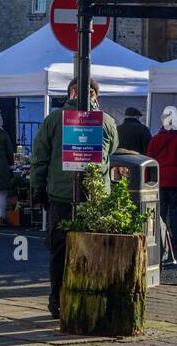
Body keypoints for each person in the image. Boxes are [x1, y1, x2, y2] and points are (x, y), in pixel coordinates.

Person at [31, 78, 119, 317]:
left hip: (61, 195)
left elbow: (39, 159)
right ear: (95, 95)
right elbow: (112, 151)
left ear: (70, 93)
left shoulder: (53, 120)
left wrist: (38, 191)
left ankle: (57, 298)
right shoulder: (107, 122)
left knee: (60, 249)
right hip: (96, 197)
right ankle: (91, 300)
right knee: (95, 249)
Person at [147, 122, 177, 250]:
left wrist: (147, 181)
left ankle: (158, 240)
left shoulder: (155, 139)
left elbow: (149, 162)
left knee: (159, 212)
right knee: (176, 212)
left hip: (159, 180)